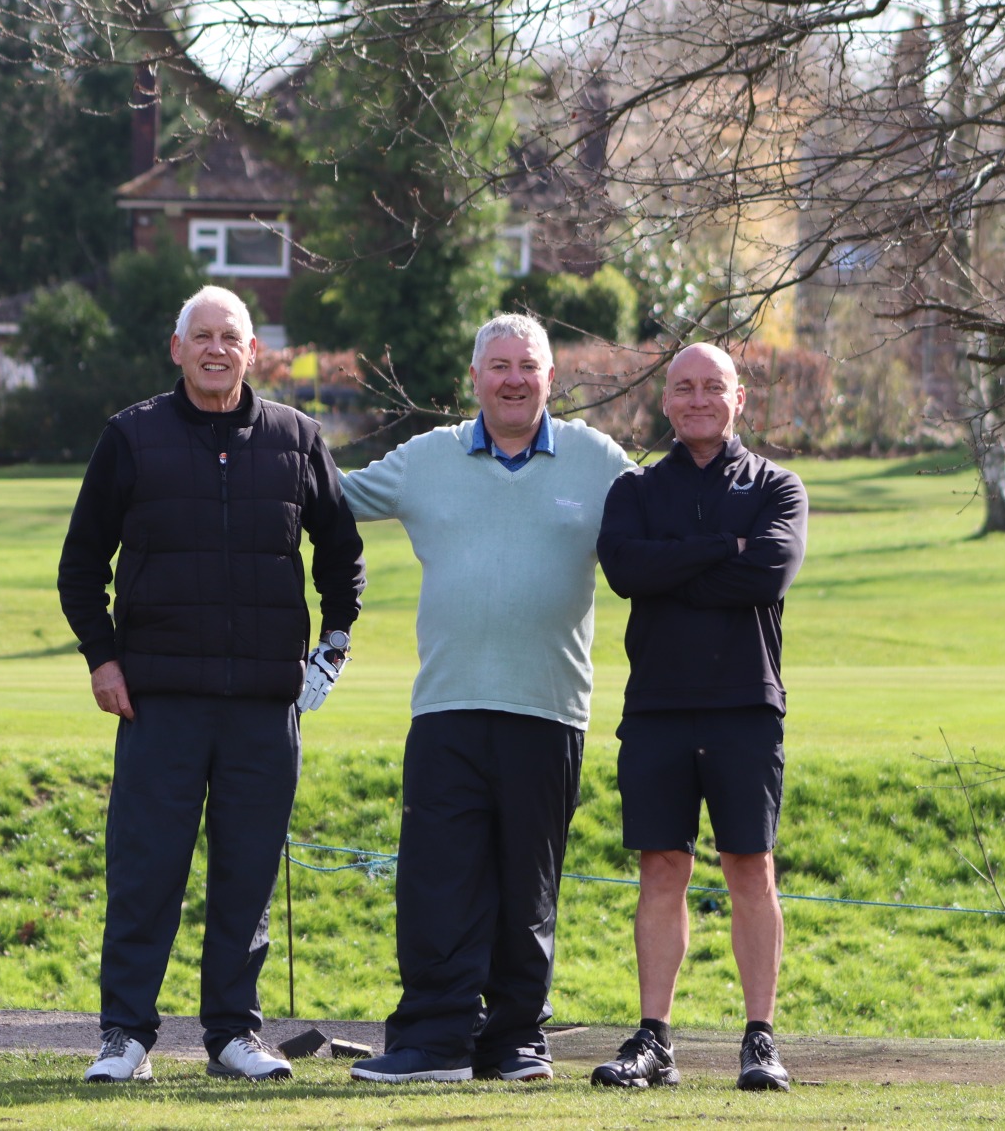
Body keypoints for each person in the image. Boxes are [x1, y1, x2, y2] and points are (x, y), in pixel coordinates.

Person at [57, 285, 365, 1083]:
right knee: (145, 871)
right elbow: (81, 565)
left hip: (264, 704)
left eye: (231, 336)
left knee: (247, 874)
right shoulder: (131, 435)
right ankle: (125, 1035)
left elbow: (342, 555)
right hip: (159, 701)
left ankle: (233, 1034)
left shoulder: (297, 438)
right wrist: (102, 658)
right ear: (177, 348)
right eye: (202, 336)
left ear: (253, 351)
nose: (217, 349)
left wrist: (333, 646)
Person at [338, 312, 634, 1084]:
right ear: (473, 378)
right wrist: (256, 450)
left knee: (527, 888)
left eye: (527, 366)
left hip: (549, 710)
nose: (513, 379)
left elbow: (666, 514)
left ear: (550, 377)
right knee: (438, 882)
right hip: (447, 709)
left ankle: (514, 1042)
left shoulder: (598, 460)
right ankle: (434, 1041)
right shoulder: (426, 458)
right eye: (498, 366)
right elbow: (331, 495)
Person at [590, 342, 808, 1093]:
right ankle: (654, 1041)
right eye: (683, 387)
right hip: (657, 704)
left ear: (738, 397)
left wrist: (674, 564)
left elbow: (767, 573)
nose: (697, 399)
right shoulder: (634, 488)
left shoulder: (779, 487)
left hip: (747, 704)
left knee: (751, 866)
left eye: (713, 386)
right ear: (665, 401)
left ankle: (760, 1041)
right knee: (662, 867)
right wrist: (723, 548)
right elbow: (625, 570)